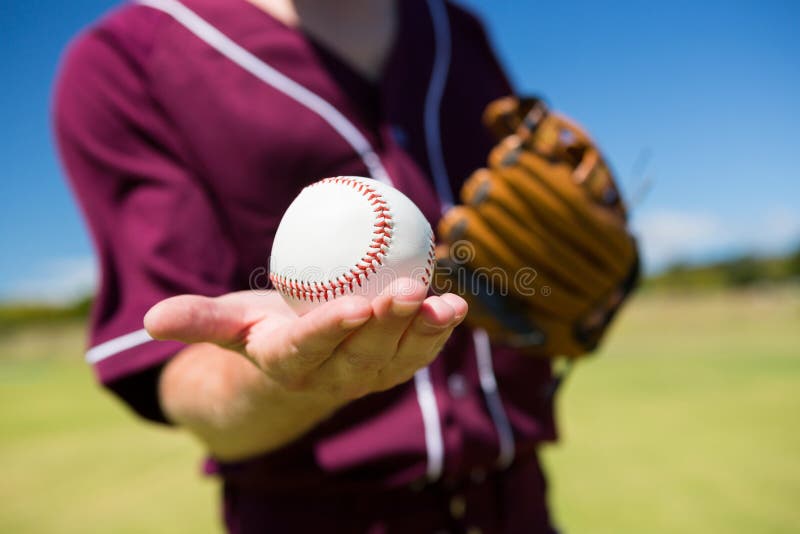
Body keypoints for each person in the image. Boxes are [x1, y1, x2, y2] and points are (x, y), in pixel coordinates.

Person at [54, 0, 564, 531]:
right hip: (316, 513)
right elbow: (178, 365)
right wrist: (289, 373)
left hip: (521, 501)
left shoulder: (458, 29)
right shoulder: (128, 57)